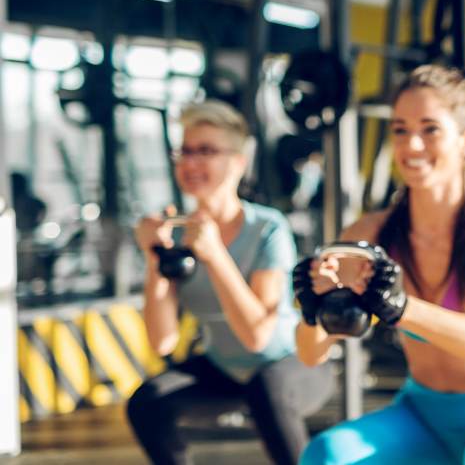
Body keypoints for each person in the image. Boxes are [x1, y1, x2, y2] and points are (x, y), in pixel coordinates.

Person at [296, 65, 465, 465]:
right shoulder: (369, 234)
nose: (412, 145)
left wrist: (402, 308)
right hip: (423, 415)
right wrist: (315, 309)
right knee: (327, 454)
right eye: (400, 130)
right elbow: (310, 354)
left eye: (430, 129)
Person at [128, 100, 333, 465]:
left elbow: (258, 337)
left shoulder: (268, 228)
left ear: (238, 163)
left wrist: (216, 255)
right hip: (226, 367)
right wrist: (153, 257)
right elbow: (162, 341)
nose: (191, 163)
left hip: (292, 362)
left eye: (206, 151)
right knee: (147, 403)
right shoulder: (175, 234)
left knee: (267, 388)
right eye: (186, 151)